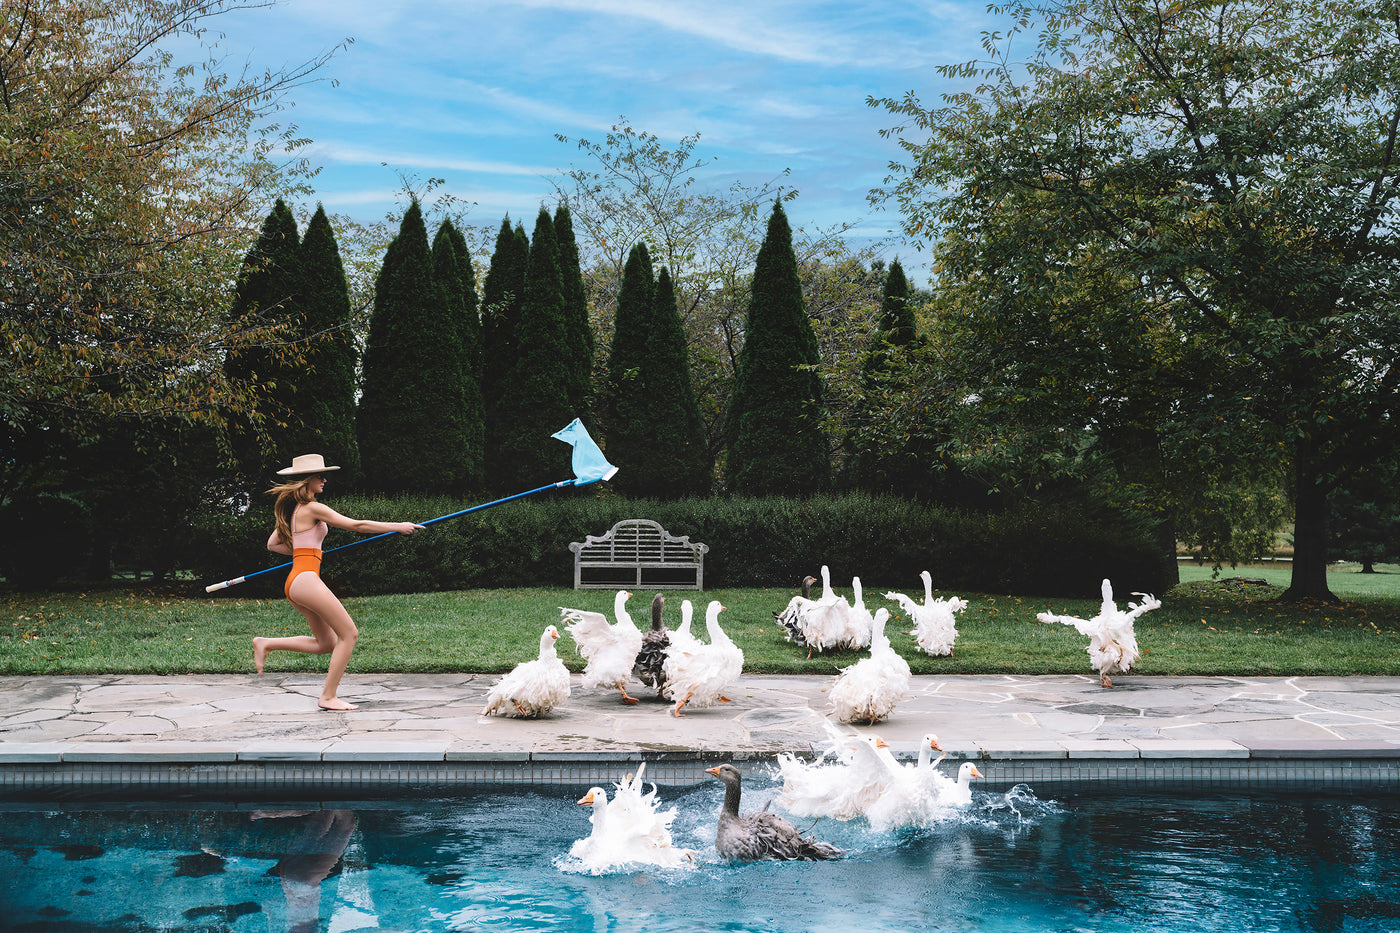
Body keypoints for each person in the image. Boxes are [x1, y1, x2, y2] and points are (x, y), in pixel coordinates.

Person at [254, 454, 423, 710]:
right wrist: (397, 526)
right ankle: (328, 697)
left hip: (297, 580)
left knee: (326, 643)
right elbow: (357, 525)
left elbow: (272, 544)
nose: (324, 479)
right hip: (306, 580)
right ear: (306, 480)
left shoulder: (295, 510)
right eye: (320, 476)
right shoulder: (312, 508)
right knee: (349, 634)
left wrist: (308, 551)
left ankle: (267, 643)